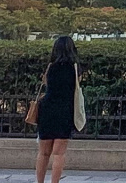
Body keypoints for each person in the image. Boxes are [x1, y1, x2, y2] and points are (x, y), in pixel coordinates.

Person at [35, 36, 80, 183]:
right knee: (59, 154)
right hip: (64, 111)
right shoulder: (74, 69)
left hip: (47, 110)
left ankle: (39, 181)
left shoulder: (51, 67)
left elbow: (47, 85)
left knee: (43, 153)